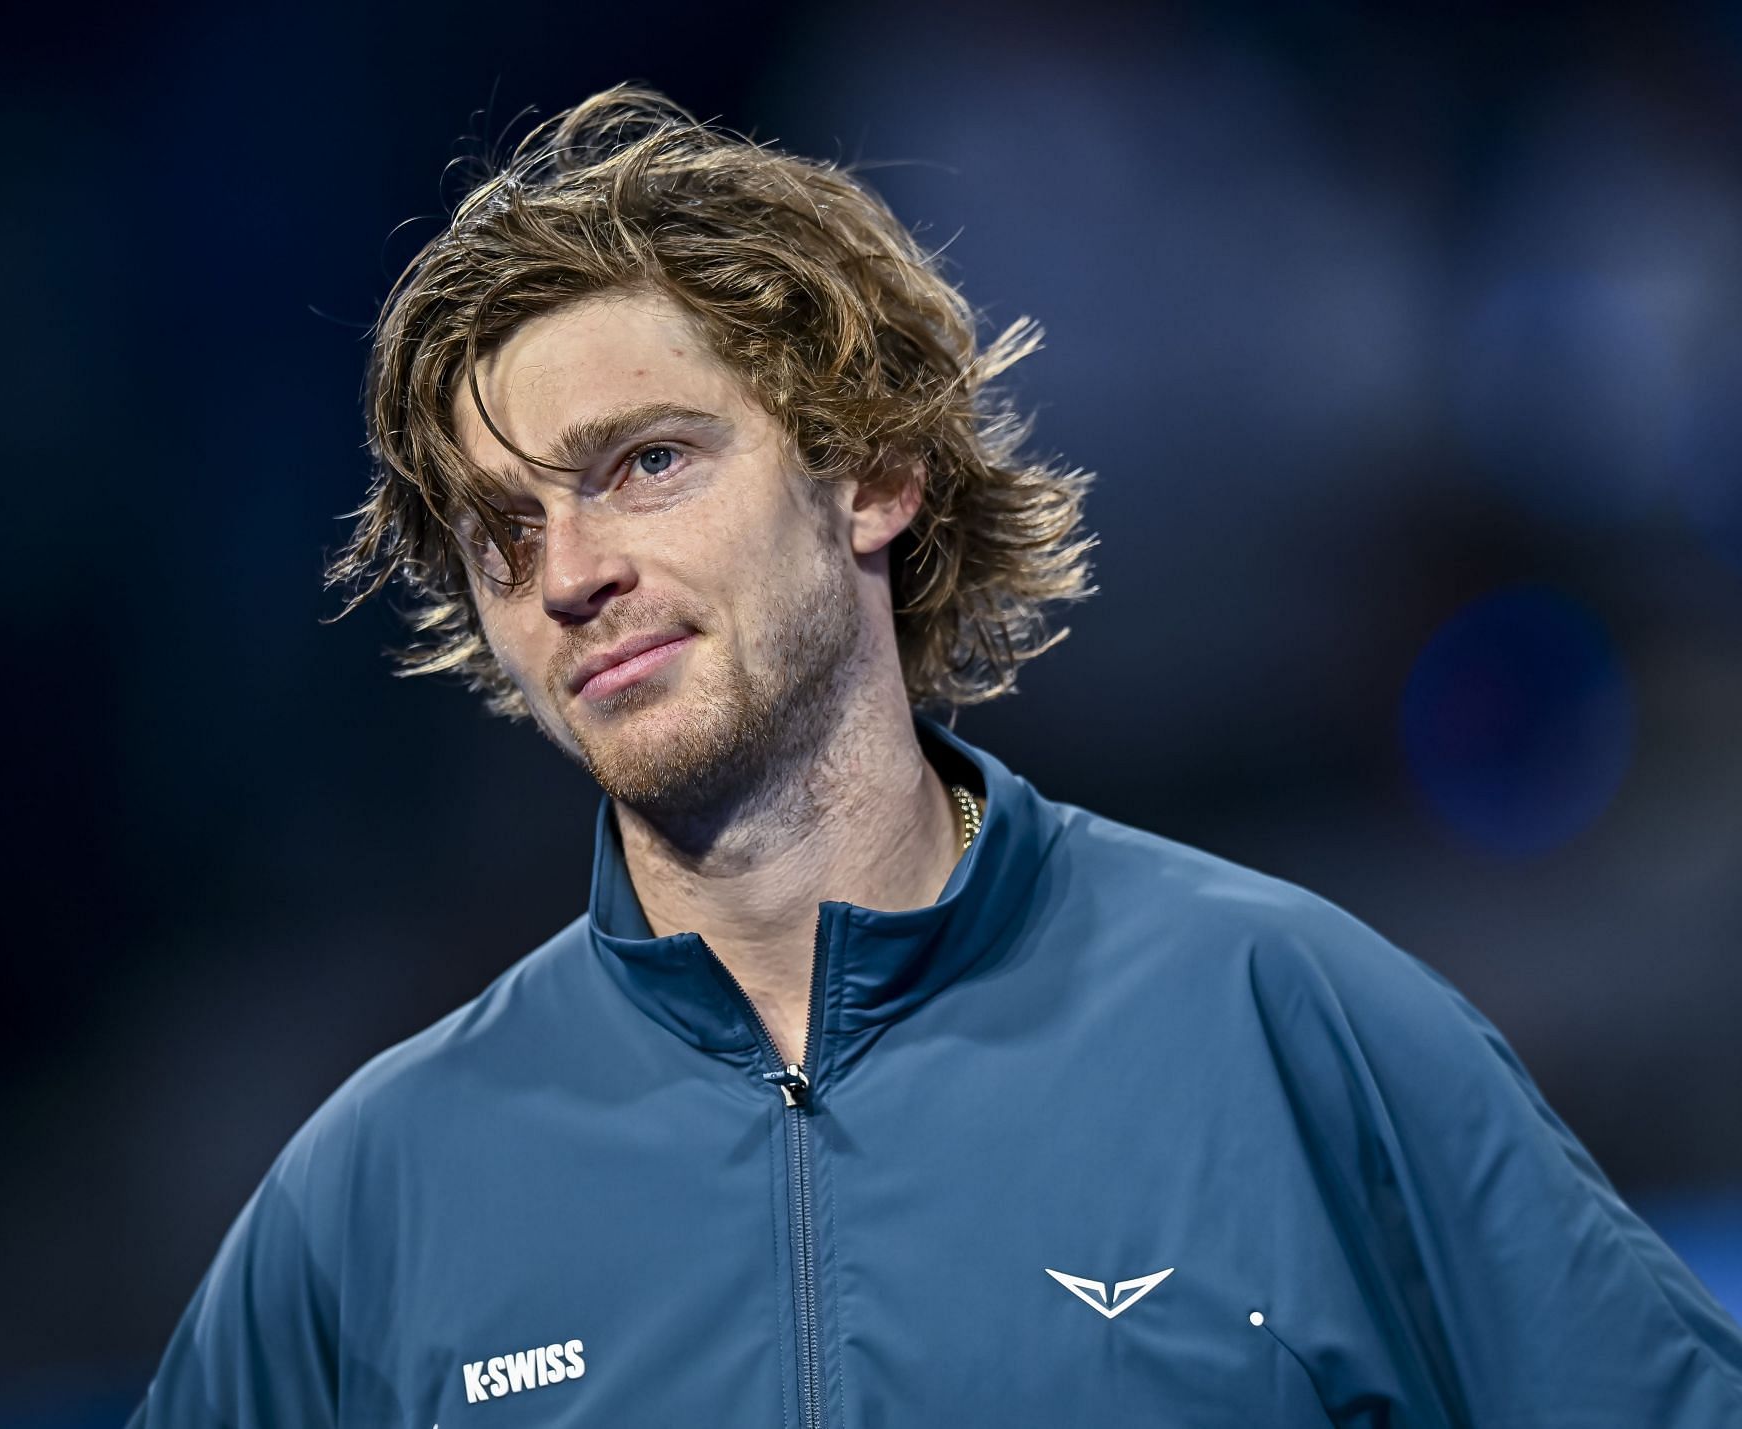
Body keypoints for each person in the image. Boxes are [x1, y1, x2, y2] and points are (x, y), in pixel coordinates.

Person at [127, 87, 1742, 1427]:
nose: (569, 572)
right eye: (500, 533)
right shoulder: (375, 1196)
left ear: (873, 474)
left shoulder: (1288, 1026)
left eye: (647, 463)